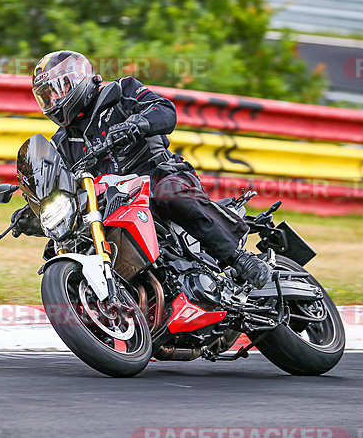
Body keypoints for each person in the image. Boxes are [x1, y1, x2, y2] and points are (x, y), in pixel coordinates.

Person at [14, 50, 271, 289]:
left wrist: (137, 123)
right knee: (62, 244)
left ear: (78, 79)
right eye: (46, 96)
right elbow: (64, 187)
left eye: (58, 90)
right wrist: (34, 211)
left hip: (158, 175)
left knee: (169, 194)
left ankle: (240, 260)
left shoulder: (120, 92)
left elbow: (165, 110)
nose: (53, 100)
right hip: (113, 204)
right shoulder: (62, 142)